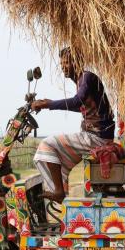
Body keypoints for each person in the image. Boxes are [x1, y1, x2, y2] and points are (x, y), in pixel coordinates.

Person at [31, 47, 114, 202]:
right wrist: (48, 104)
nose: (64, 68)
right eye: (62, 64)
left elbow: (77, 100)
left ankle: (58, 192)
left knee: (47, 145)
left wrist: (48, 104)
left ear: (78, 62)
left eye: (67, 63)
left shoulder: (87, 78)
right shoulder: (82, 81)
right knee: (56, 157)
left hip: (97, 137)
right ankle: (60, 189)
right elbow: (80, 106)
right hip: (97, 136)